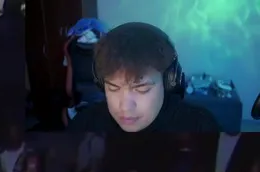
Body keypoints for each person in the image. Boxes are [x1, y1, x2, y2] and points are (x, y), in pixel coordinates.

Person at [68, 22, 219, 133]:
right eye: (113, 88)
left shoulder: (201, 126)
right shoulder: (83, 126)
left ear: (168, 82)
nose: (125, 107)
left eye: (142, 88)